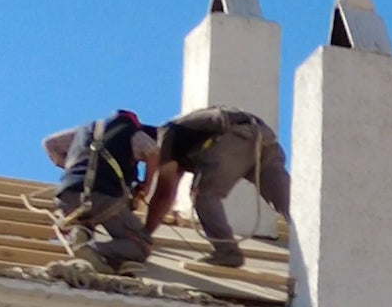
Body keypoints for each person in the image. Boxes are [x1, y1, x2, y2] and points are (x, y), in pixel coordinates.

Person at [144, 106, 289, 268]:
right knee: (294, 208)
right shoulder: (183, 136)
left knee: (204, 195)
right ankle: (318, 242)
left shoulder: (167, 134)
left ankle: (227, 252)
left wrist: (143, 235)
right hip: (265, 137)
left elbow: (164, 195)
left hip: (234, 137)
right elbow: (170, 191)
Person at [43, 111, 157, 274]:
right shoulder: (132, 132)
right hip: (103, 197)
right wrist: (147, 184)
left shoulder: (84, 131)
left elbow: (50, 143)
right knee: (141, 244)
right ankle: (92, 249)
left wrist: (72, 168)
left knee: (84, 219)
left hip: (67, 194)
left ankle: (80, 231)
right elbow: (153, 152)